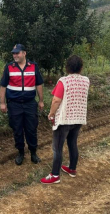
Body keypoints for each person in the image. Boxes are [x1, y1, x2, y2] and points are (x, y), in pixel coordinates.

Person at [40, 55, 90, 184]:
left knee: (57, 147)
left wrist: (51, 113)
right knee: (72, 143)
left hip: (64, 119)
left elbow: (56, 100)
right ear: (81, 68)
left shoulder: (63, 81)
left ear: (67, 67)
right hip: (78, 118)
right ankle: (72, 169)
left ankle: (55, 175)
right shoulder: (86, 81)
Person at [0, 44, 44, 165]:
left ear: (24, 53)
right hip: (14, 104)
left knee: (31, 129)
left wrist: (41, 100)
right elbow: (3, 86)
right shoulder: (9, 67)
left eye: (17, 53)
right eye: (13, 53)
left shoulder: (33, 66)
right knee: (17, 130)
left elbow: (39, 84)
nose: (15, 55)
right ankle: (20, 153)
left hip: (30, 104)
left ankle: (33, 152)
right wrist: (2, 103)